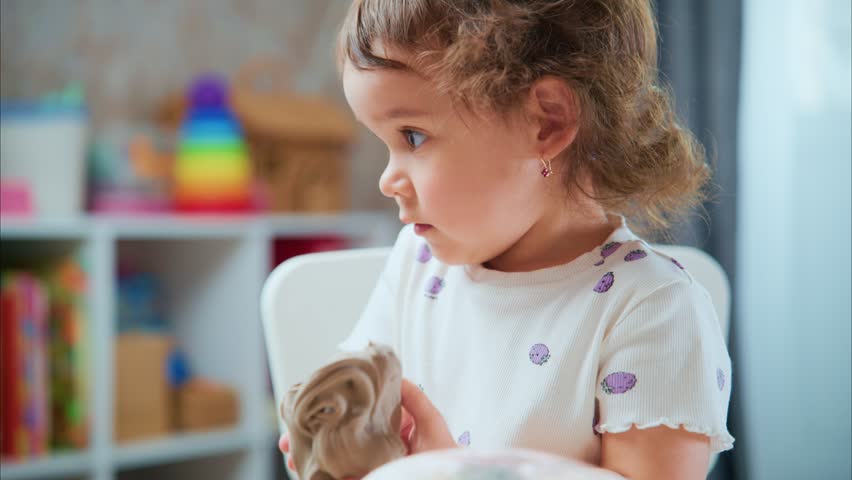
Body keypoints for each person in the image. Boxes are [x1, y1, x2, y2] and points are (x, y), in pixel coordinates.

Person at [282, 1, 734, 478]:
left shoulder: (650, 310)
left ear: (546, 122)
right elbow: (354, 410)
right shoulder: (415, 267)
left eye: (412, 137)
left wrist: (446, 471)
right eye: (385, 142)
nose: (387, 179)